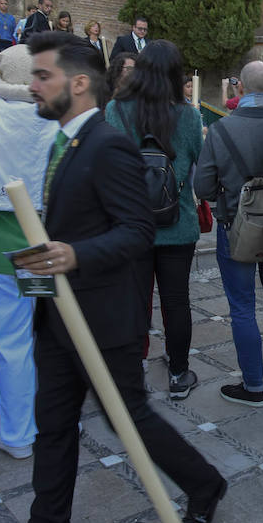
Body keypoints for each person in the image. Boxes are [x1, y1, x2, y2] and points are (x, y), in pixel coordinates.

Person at [15, 31, 225, 523]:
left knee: (128, 419)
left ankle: (204, 483)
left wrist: (74, 253)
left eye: (43, 76)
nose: (33, 86)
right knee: (54, 426)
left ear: (80, 83)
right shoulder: (67, 140)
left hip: (105, 318)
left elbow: (135, 231)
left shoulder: (108, 145)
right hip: (58, 316)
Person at [193, 61, 263, 406]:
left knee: (242, 308)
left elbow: (204, 186)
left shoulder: (222, 129)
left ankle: (253, 386)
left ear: (239, 89)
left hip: (234, 226)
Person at [106, 39, 204, 399]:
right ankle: (179, 374)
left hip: (131, 226)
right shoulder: (189, 115)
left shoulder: (117, 110)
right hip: (177, 225)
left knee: (134, 301)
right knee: (176, 301)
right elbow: (200, 163)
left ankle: (134, 374)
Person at [0, 44, 57, 462]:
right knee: (52, 337)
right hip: (49, 243)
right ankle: (58, 417)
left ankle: (18, 434)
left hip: (1, 245)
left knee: (12, 341)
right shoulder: (55, 119)